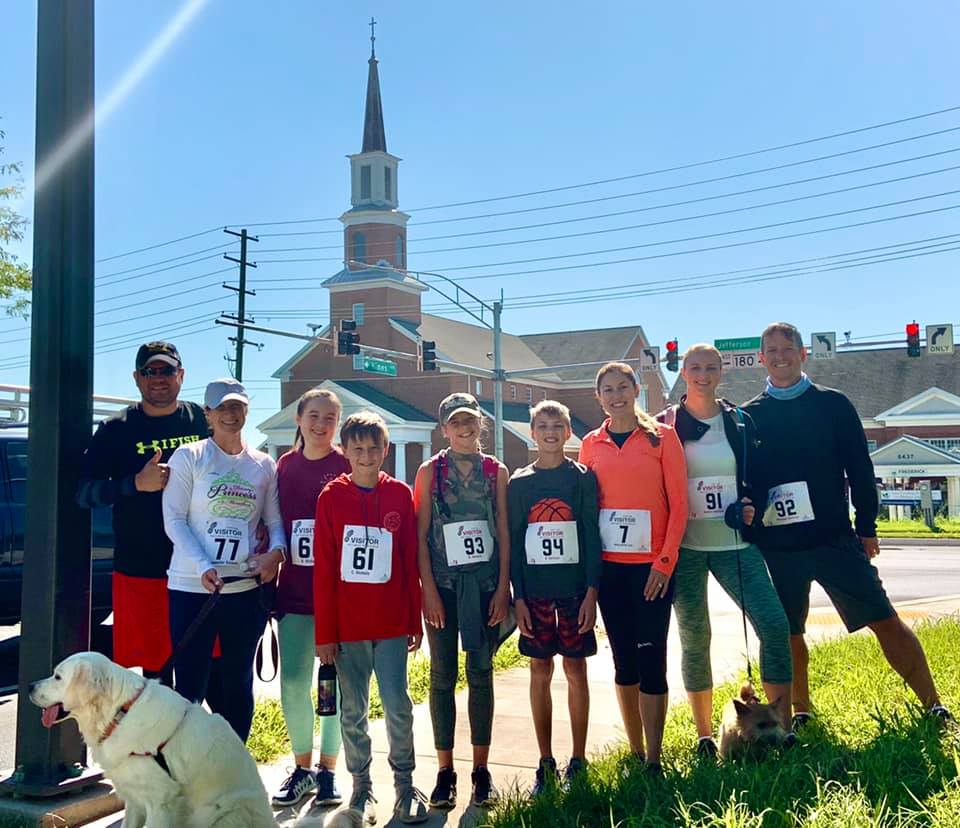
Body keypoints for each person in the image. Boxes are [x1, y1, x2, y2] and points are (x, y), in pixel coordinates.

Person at [745, 322, 951, 727]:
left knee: (884, 618)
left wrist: (867, 524)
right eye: (771, 350)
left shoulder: (833, 404)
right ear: (760, 358)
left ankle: (934, 706)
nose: (779, 356)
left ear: (803, 354)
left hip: (834, 539)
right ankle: (800, 712)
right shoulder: (749, 416)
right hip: (777, 546)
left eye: (788, 348)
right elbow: (746, 482)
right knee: (788, 633)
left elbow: (860, 466)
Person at [658, 344, 792, 758]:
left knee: (773, 624)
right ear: (683, 371)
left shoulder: (738, 420)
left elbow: (759, 477)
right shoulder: (665, 424)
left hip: (735, 544)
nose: (703, 374)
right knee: (696, 637)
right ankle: (704, 736)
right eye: (695, 367)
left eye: (710, 368)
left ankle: (779, 728)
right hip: (687, 548)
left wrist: (751, 505)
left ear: (721, 371)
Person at [313, 411, 428, 825]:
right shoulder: (331, 496)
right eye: (357, 449)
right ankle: (361, 786)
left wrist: (414, 620)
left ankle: (405, 784)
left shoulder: (399, 495)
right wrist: (325, 633)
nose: (365, 456)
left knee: (398, 705)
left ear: (386, 450)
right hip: (348, 628)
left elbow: (410, 561)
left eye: (373, 448)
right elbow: (324, 570)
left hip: (392, 623)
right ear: (344, 451)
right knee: (353, 711)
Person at [162, 378, 286, 742]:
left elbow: (274, 521)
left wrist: (275, 555)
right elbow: (174, 520)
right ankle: (186, 770)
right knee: (189, 686)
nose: (231, 415)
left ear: (247, 410)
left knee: (237, 682)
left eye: (238, 407)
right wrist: (203, 565)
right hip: (191, 587)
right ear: (208, 414)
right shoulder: (190, 456)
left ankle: (235, 766)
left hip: (244, 589)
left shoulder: (264, 465)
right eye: (223, 408)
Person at [578, 362, 687, 774]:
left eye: (623, 387)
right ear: (598, 397)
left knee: (652, 657)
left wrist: (665, 561)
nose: (616, 395)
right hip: (610, 570)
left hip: (652, 569)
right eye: (607, 389)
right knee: (623, 660)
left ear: (637, 389)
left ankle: (656, 759)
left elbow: (679, 505)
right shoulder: (591, 443)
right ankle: (636, 752)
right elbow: (589, 510)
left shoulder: (663, 438)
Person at [77, 341, 207, 685]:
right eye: (150, 371)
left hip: (202, 567)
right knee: (156, 681)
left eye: (167, 370)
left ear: (181, 375)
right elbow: (83, 493)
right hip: (143, 570)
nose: (159, 378)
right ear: (137, 378)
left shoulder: (201, 420)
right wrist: (135, 483)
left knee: (209, 675)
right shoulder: (115, 429)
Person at [413, 393, 511, 810]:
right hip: (444, 590)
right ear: (444, 428)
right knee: (441, 676)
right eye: (456, 423)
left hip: (485, 587)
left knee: (482, 672)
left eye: (471, 421)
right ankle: (445, 770)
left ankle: (481, 770)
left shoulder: (496, 471)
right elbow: (419, 535)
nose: (465, 429)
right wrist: (428, 591)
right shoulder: (429, 472)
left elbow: (504, 530)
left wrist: (504, 587)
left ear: (481, 426)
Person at [508, 400, 601, 795]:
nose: (550, 432)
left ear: (568, 432)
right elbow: (513, 543)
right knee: (540, 673)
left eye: (557, 425)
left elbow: (593, 537)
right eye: (542, 425)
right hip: (536, 594)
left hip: (575, 590)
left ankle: (577, 759)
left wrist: (592, 592)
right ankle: (545, 760)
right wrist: (519, 598)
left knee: (576, 672)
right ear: (532, 432)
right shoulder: (520, 483)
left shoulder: (582, 478)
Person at [270, 389, 351, 809]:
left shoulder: (347, 464)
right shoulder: (283, 465)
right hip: (295, 594)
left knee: (331, 687)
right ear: (299, 419)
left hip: (339, 597)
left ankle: (329, 771)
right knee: (294, 682)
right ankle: (302, 768)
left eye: (331, 418)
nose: (321, 424)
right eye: (314, 415)